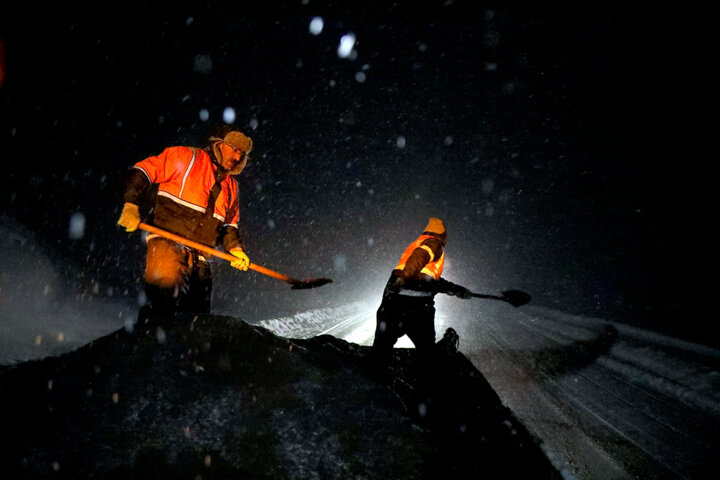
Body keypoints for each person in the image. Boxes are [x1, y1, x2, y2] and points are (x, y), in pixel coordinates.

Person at [116, 126, 252, 321]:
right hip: (168, 245)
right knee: (164, 308)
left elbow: (229, 225)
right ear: (219, 144)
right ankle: (149, 338)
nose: (237, 157)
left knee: (198, 319)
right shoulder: (186, 158)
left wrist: (236, 249)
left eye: (242, 153)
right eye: (234, 149)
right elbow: (143, 171)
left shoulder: (231, 187)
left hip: (202, 259)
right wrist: (130, 204)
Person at [371, 217, 473, 369]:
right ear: (442, 235)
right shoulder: (434, 243)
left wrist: (457, 289)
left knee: (382, 347)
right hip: (416, 307)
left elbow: (430, 280)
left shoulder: (417, 243)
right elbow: (421, 257)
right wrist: (406, 277)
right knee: (426, 353)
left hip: (391, 300)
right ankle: (427, 378)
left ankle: (374, 372)